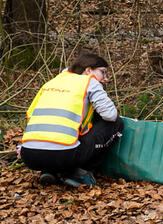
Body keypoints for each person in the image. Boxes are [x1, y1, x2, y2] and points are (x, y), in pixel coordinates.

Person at [18, 52, 124, 187]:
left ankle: (49, 171)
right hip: (62, 156)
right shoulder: (89, 82)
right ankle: (81, 174)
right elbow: (110, 115)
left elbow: (31, 115)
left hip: (28, 155)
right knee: (116, 123)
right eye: (103, 72)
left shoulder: (54, 81)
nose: (106, 78)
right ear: (88, 70)